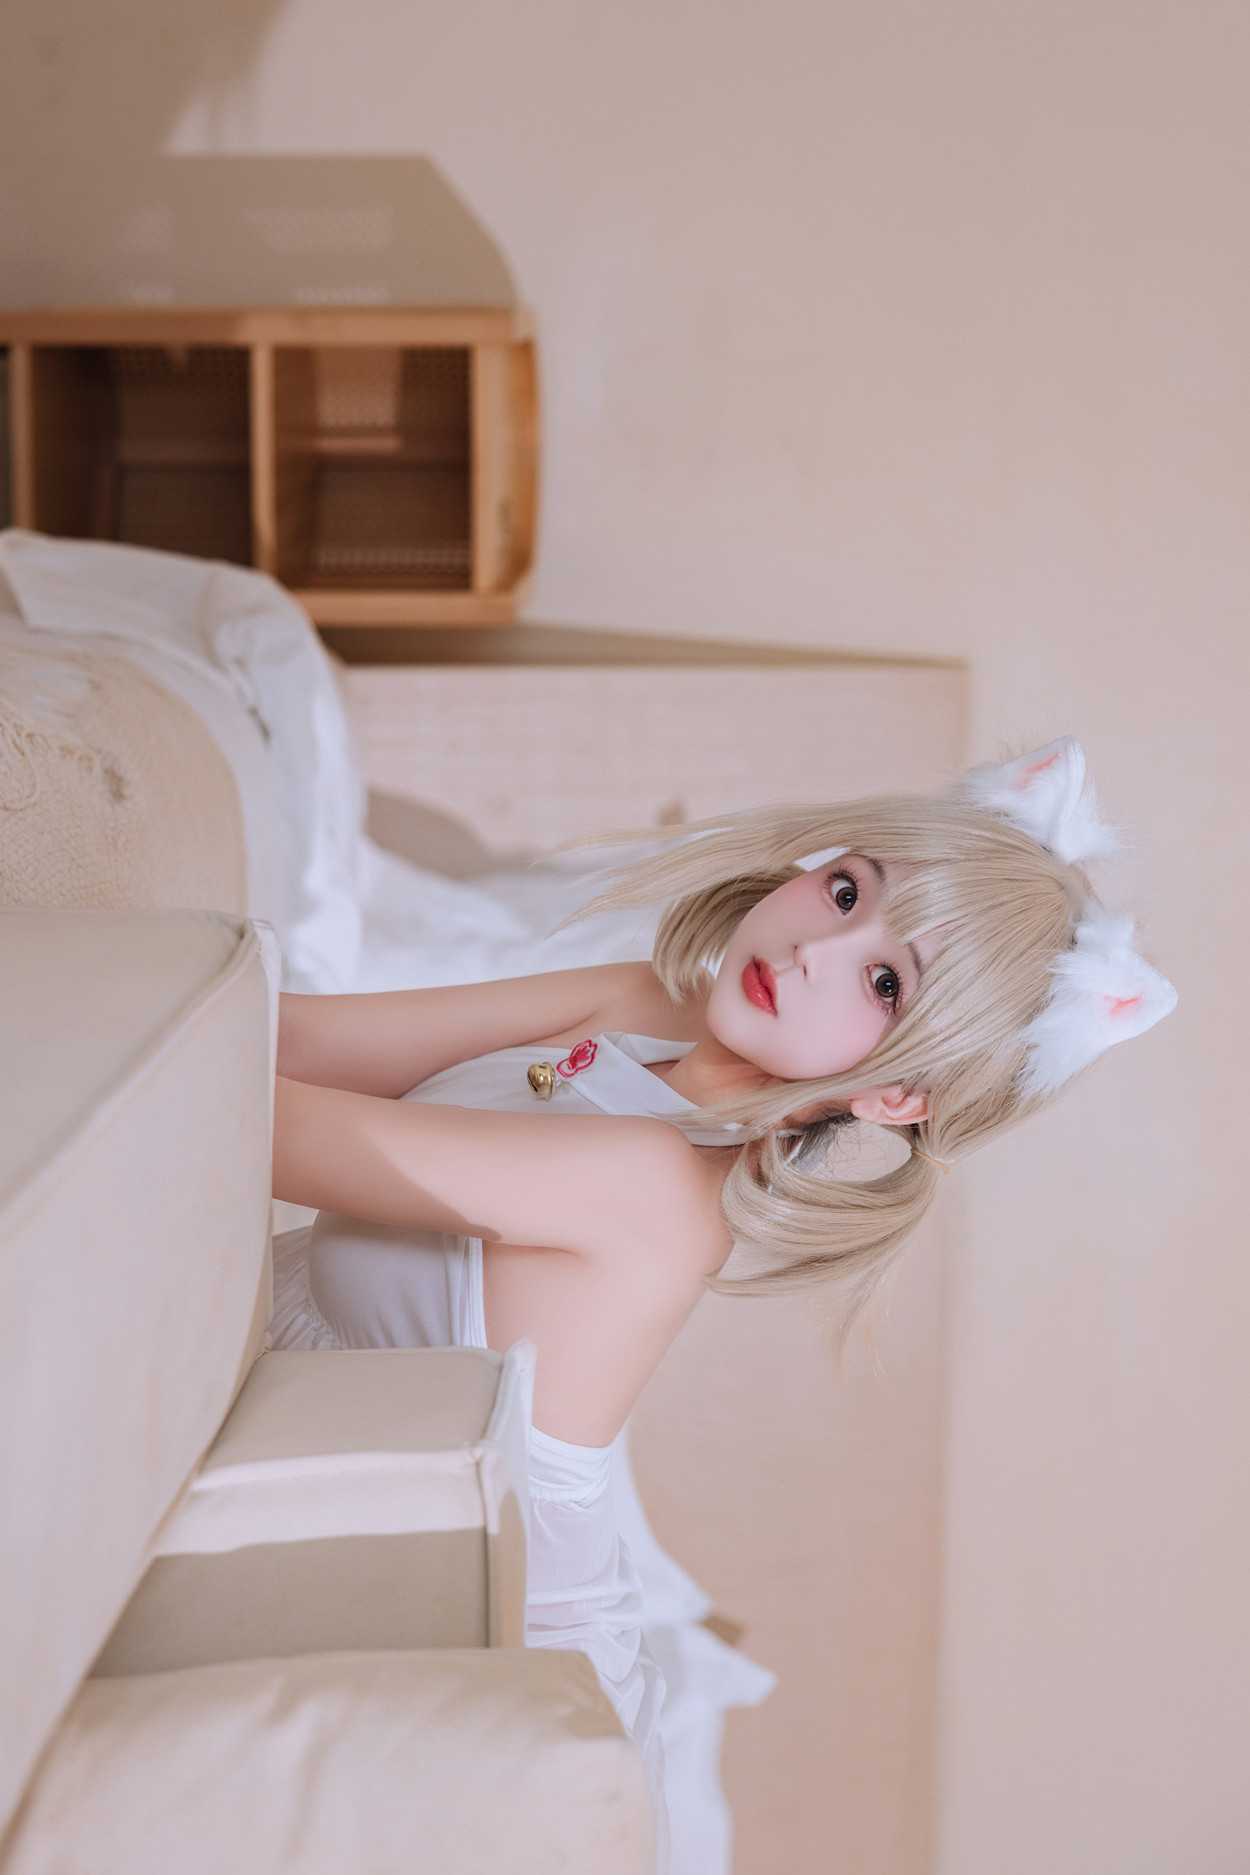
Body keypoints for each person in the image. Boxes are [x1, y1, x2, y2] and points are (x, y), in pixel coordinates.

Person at [268, 735, 1177, 1873]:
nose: (814, 948)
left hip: (482, 1669)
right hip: (337, 1502)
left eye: (884, 982)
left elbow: (260, 1122)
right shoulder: (648, 1008)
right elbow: (297, 1041)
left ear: (899, 1094)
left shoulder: (658, 1191)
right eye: (846, 891)